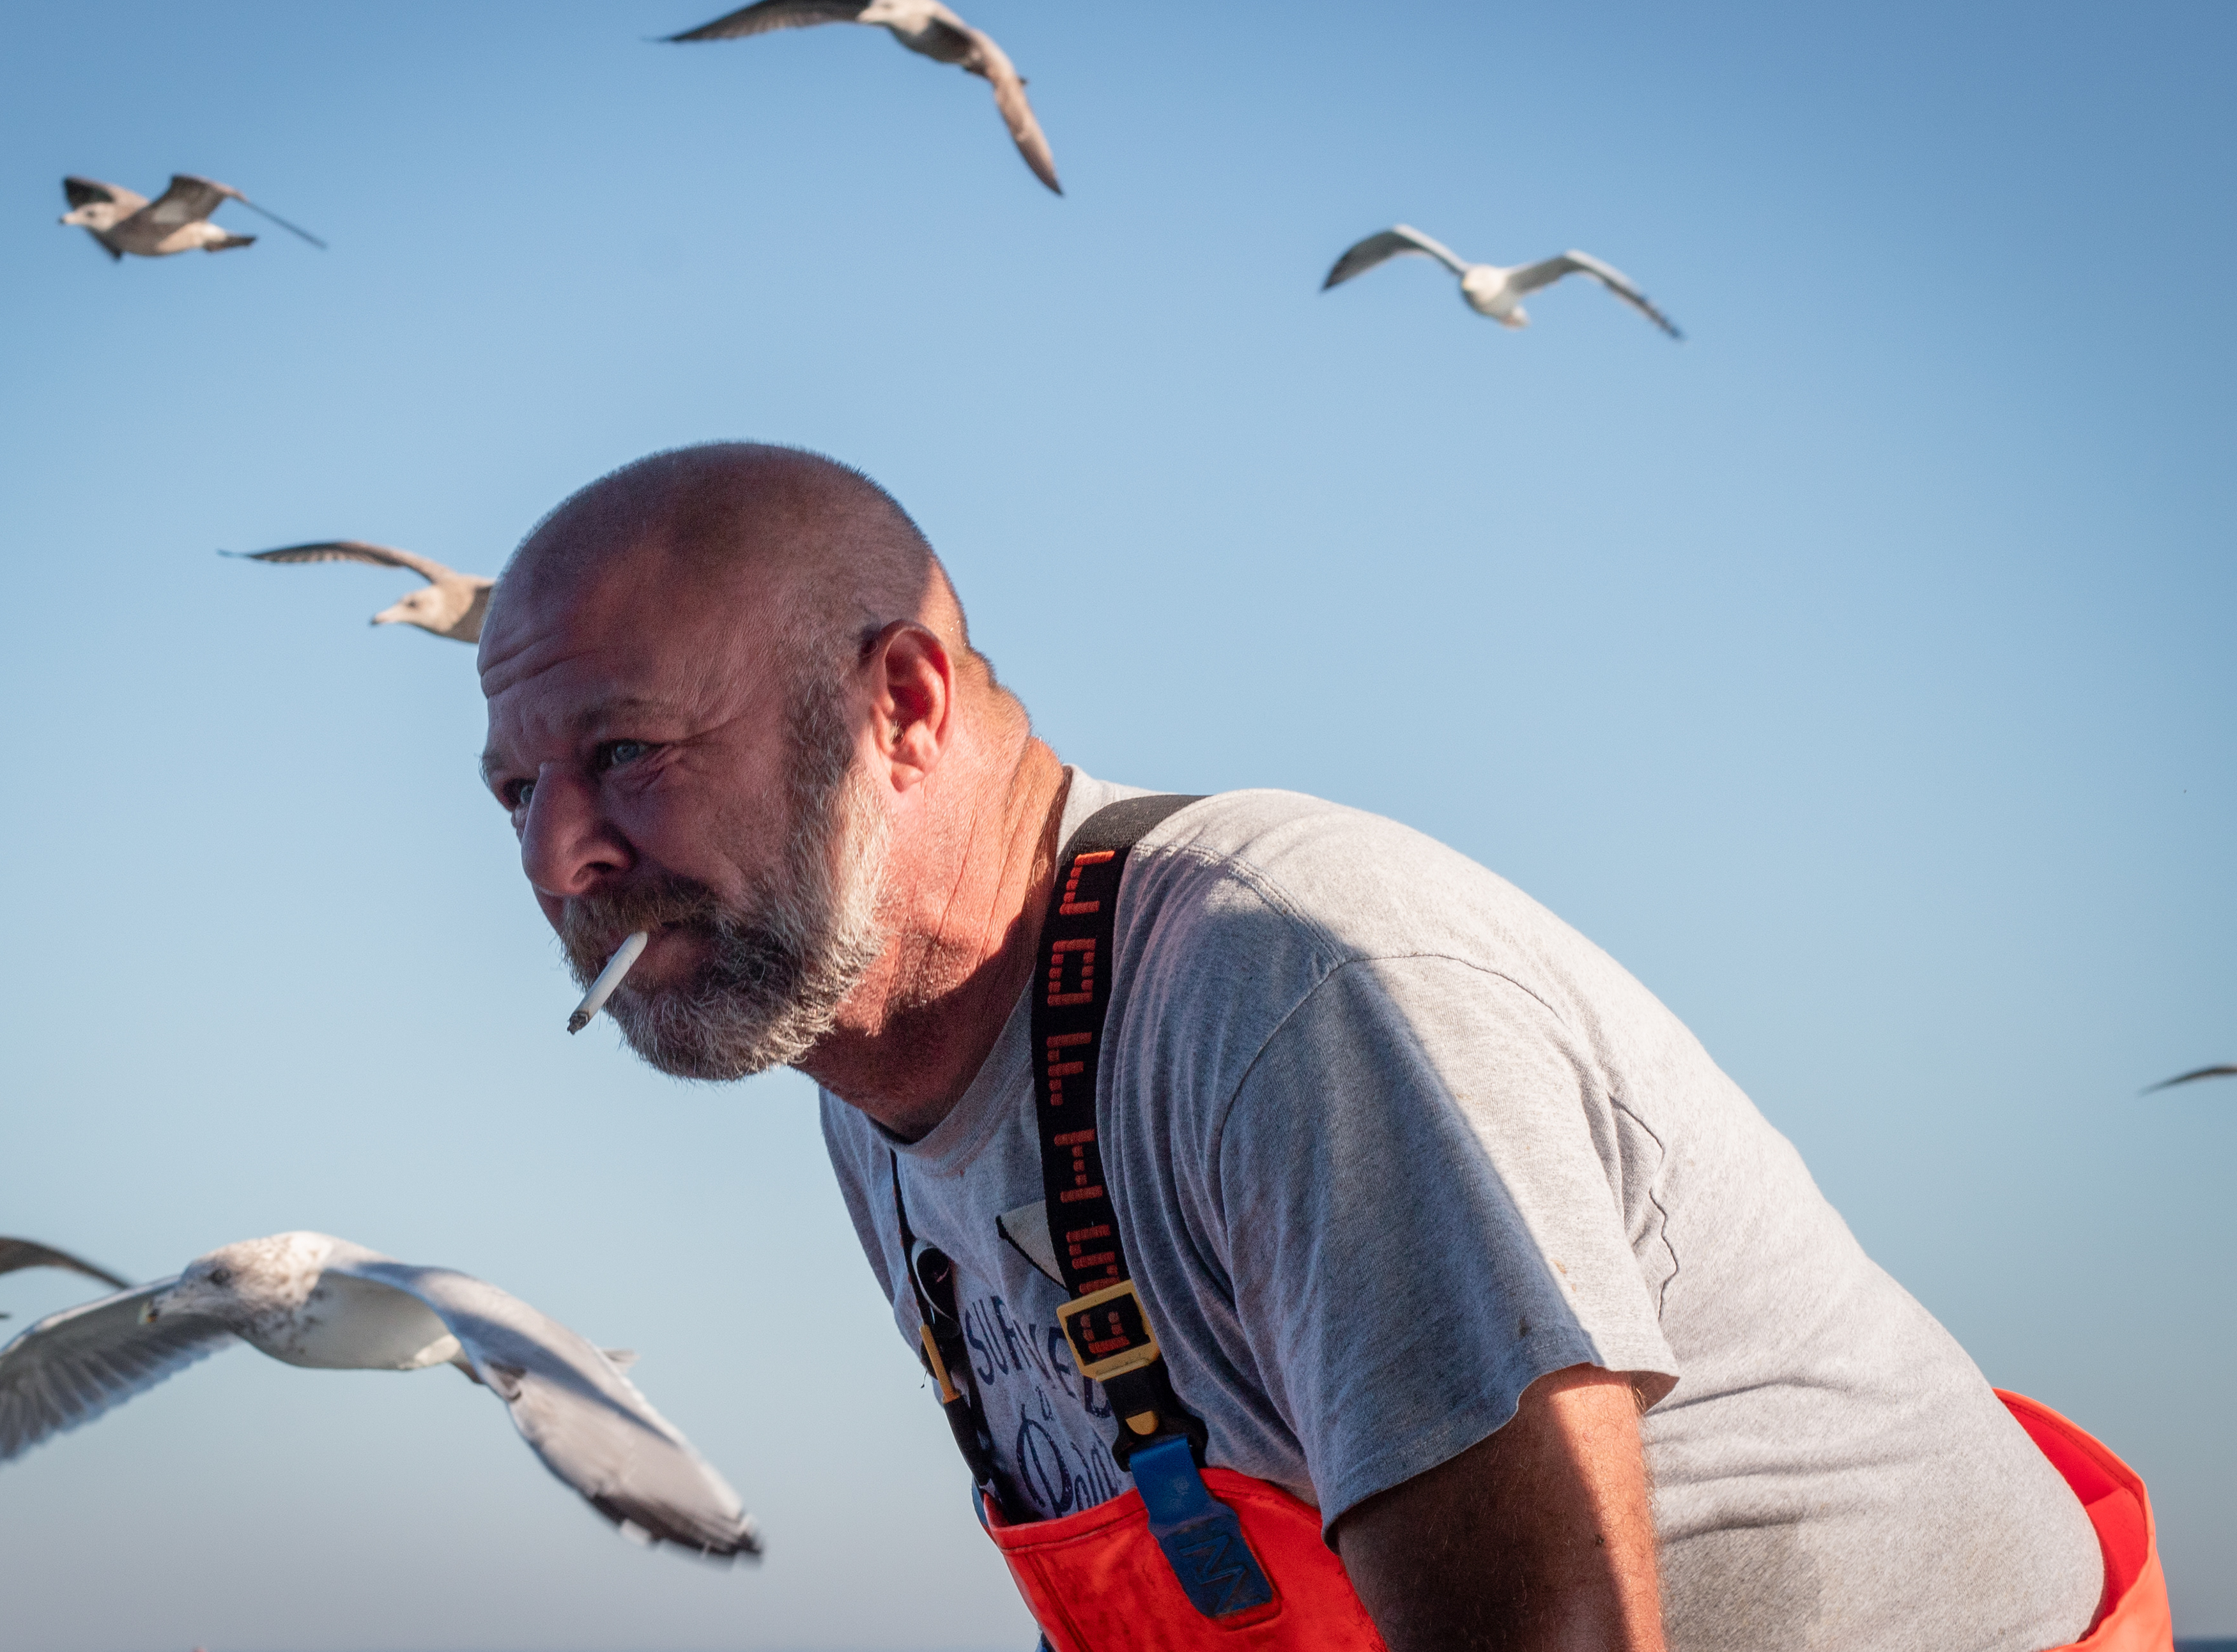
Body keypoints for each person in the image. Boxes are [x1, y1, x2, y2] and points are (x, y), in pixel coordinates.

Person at [477, 441, 2156, 1652]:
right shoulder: (875, 1081)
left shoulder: (1281, 991)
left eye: (624, 754)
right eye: (514, 790)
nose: (559, 858)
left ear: (901, 706)